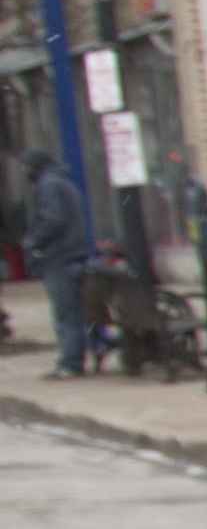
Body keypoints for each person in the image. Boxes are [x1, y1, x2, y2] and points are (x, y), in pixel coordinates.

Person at [30, 144, 101, 374]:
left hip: (59, 257)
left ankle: (70, 363)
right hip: (72, 255)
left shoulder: (49, 185)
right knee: (70, 314)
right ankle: (71, 360)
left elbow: (53, 220)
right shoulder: (63, 182)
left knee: (66, 314)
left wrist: (33, 241)